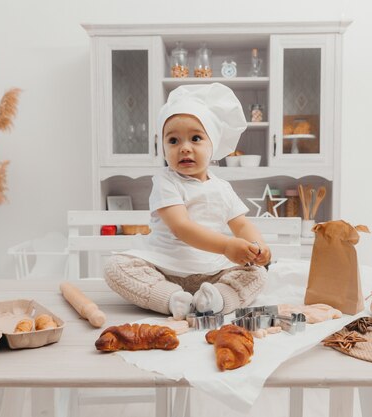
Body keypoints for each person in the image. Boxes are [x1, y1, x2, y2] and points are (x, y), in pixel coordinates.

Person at [104, 83, 271, 320]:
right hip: (164, 267)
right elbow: (181, 227)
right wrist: (226, 246)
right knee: (115, 267)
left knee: (257, 274)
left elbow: (241, 225)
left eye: (195, 138)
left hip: (212, 272)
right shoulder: (165, 181)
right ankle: (172, 298)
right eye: (173, 141)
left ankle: (217, 298)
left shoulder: (222, 188)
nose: (184, 148)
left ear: (212, 144)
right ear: (162, 148)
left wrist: (258, 246)